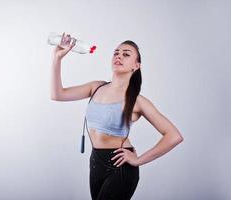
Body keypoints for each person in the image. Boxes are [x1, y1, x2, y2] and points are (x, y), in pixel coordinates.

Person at [50, 33, 184, 200]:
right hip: (95, 162)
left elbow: (174, 136)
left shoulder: (137, 101)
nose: (119, 56)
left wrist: (138, 160)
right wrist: (57, 59)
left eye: (126, 54)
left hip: (120, 167)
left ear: (136, 66)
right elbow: (57, 94)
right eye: (116, 53)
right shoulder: (96, 87)